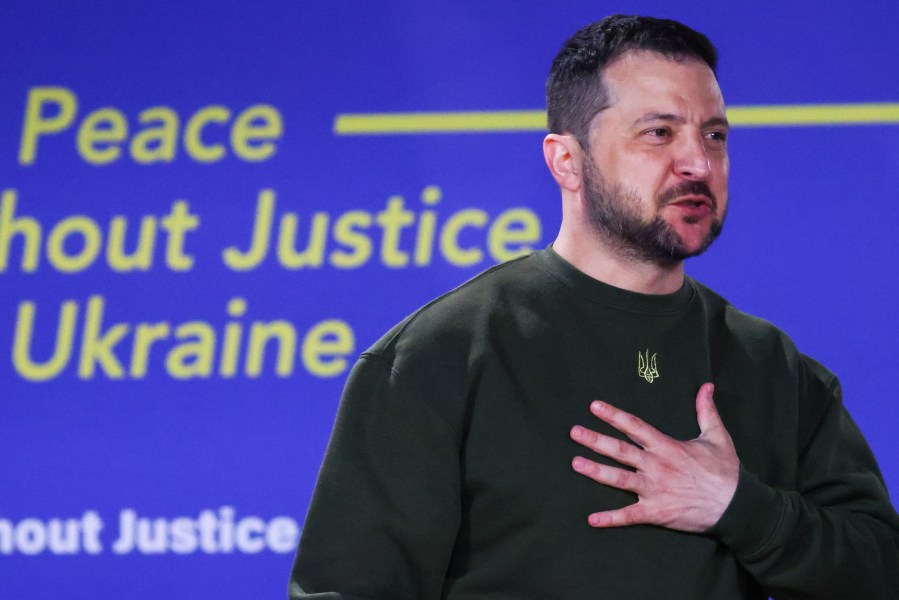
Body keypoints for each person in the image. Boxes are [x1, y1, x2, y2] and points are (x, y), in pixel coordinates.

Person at [289, 15, 899, 599]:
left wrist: (740, 508)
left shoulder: (771, 366)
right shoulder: (440, 356)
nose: (698, 163)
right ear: (566, 161)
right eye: (659, 133)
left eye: (714, 135)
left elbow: (881, 572)